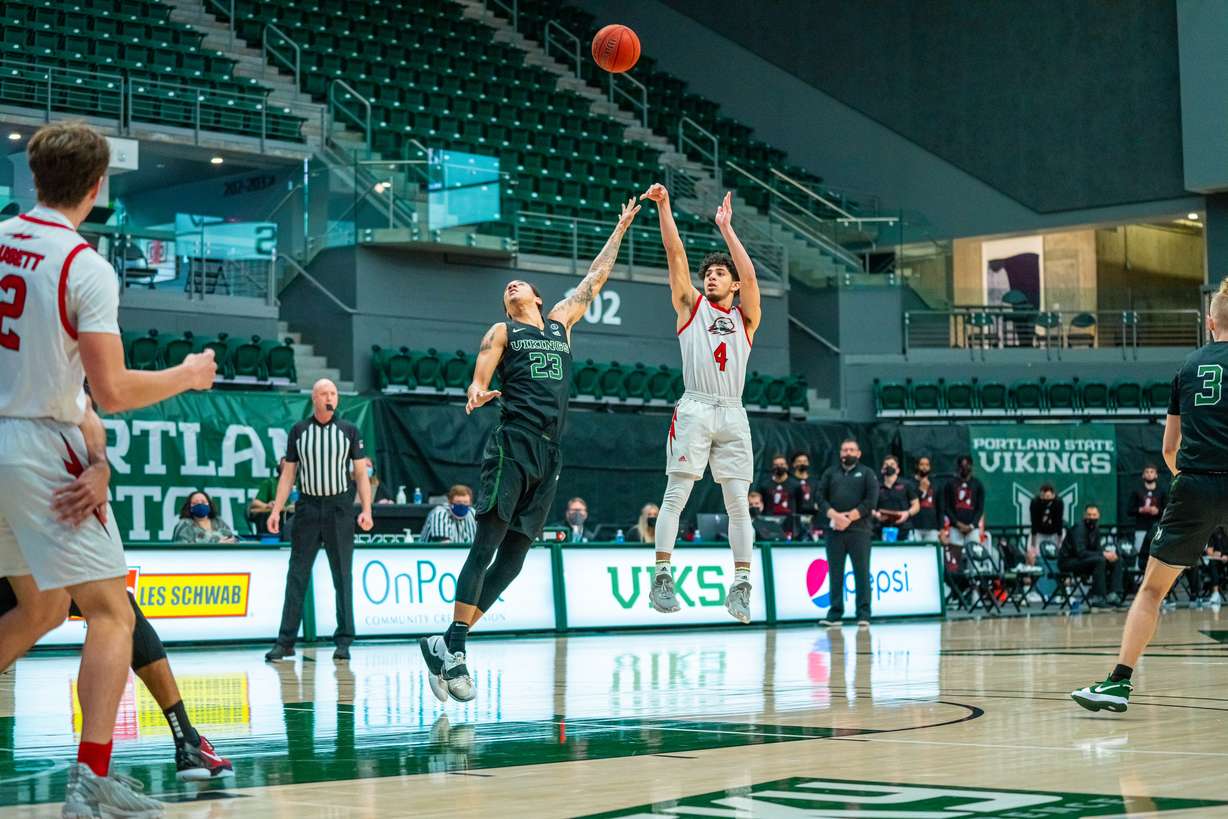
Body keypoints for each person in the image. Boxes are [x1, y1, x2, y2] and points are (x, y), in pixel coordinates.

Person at [0, 122, 215, 818]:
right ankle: (91, 783)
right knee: (112, 611)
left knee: (38, 607)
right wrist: (186, 374)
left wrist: (96, 457)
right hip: (36, 446)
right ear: (98, 188)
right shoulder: (83, 264)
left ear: (33, 177)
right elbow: (113, 391)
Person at [419, 197, 640, 704]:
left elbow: (595, 279)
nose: (511, 286)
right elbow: (480, 375)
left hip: (550, 452)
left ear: (539, 299)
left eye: (519, 284)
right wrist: (476, 391)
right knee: (488, 542)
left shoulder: (561, 322)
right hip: (513, 442)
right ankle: (454, 649)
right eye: (506, 288)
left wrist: (621, 224)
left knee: (515, 560)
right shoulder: (503, 330)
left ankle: (446, 641)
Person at [1070, 282, 1228, 714]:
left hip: (1194, 484)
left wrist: (1191, 480)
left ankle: (1118, 683)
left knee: (1152, 591)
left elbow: (1169, 448)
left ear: (1209, 322)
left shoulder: (1189, 367)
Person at [638, 185, 761, 626]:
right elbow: (675, 257)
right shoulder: (690, 306)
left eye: (718, 274)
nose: (711, 277)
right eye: (708, 273)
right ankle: (662, 575)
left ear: (732, 284)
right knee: (677, 494)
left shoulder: (746, 317)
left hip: (733, 409)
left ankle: (742, 586)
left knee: (738, 504)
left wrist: (727, 229)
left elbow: (749, 276)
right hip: (695, 406)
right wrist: (665, 208)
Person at [264, 379, 374, 663]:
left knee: (343, 575)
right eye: (324, 393)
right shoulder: (299, 431)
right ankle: (285, 641)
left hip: (339, 507)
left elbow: (361, 473)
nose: (330, 397)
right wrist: (276, 510)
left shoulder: (349, 430)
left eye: (334, 393)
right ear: (314, 399)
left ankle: (344, 640)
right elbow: (288, 474)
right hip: (308, 507)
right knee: (297, 574)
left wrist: (366, 509)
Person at [817, 438, 879, 627]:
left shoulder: (867, 473)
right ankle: (835, 614)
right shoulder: (830, 473)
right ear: (840, 453)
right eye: (844, 450)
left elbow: (871, 501)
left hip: (859, 531)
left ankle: (863, 614)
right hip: (834, 531)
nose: (848, 453)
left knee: (861, 573)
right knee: (835, 573)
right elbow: (819, 497)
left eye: (852, 449)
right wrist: (836, 517)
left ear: (858, 453)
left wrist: (849, 518)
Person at [1060, 504, 1123, 607]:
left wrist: (1107, 554)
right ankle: (1098, 597)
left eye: (1094, 515)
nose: (1091, 517)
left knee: (1115, 559)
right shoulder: (1078, 528)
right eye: (1089, 515)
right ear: (1084, 516)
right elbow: (1080, 553)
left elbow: (1097, 549)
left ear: (1098, 516)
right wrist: (1103, 554)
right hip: (1069, 561)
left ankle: (1114, 594)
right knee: (1100, 561)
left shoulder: (1096, 529)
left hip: (1086, 560)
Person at [942, 455, 985, 546]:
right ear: (958, 467)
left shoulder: (978, 485)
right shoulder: (950, 484)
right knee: (955, 556)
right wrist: (957, 523)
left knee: (974, 556)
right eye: (962, 466)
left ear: (971, 466)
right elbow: (947, 507)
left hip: (972, 529)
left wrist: (971, 526)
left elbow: (980, 508)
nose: (965, 468)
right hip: (955, 528)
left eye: (967, 465)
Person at [873, 455, 918, 541]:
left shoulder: (906, 485)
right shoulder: (875, 486)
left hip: (904, 529)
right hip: (882, 529)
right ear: (882, 469)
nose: (889, 466)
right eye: (886, 464)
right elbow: (869, 506)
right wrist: (876, 514)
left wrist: (907, 513)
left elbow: (916, 505)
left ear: (898, 470)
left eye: (892, 464)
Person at [249, 457, 294, 536]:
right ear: (278, 468)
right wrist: (268, 505)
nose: (286, 469)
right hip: (278, 521)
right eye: (284, 466)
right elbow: (255, 503)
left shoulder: (302, 483)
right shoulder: (270, 483)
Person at [171, 491, 238, 544]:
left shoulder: (218, 521)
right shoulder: (184, 524)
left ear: (209, 505)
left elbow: (231, 539)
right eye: (195, 503)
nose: (200, 504)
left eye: (203, 502)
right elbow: (181, 548)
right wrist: (215, 545)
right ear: (190, 507)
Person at [1129, 464, 1166, 550]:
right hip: (1141, 527)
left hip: (1158, 527)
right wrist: (1140, 509)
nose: (1149, 474)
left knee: (1157, 552)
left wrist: (1157, 511)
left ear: (1156, 475)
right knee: (1138, 550)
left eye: (1152, 472)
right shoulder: (1136, 491)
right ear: (1143, 475)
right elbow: (1129, 510)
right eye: (1147, 472)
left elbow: (1167, 510)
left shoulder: (1162, 491)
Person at [1028, 483, 1065, 562]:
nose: (1045, 499)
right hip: (1039, 532)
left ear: (1053, 495)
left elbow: (1059, 521)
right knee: (1031, 554)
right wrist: (1033, 545)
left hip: (1054, 533)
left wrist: (1059, 542)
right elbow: (1033, 522)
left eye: (1048, 496)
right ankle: (1031, 572)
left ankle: (1060, 573)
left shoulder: (1058, 502)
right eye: (1043, 496)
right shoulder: (1035, 502)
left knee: (1060, 554)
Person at [912, 458, 941, 542]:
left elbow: (940, 508)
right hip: (915, 526)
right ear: (917, 466)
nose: (924, 467)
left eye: (927, 465)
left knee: (931, 552)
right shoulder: (910, 483)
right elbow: (910, 503)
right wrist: (921, 490)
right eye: (922, 464)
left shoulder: (936, 484)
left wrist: (941, 528)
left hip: (932, 527)